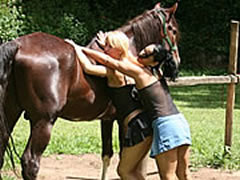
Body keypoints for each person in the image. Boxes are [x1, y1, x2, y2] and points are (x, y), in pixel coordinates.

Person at [80, 31, 192, 180]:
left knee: (166, 175)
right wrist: (107, 45)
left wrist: (78, 47)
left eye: (145, 54)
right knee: (183, 173)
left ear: (153, 61)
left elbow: (109, 62)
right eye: (143, 50)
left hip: (164, 125)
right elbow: (129, 57)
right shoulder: (155, 70)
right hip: (180, 122)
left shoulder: (140, 73)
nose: (140, 54)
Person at [65, 31, 153, 180]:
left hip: (135, 126)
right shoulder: (132, 63)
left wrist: (76, 47)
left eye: (109, 46)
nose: (105, 49)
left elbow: (88, 68)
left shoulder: (114, 72)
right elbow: (112, 56)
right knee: (138, 173)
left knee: (124, 172)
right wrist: (105, 44)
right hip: (146, 123)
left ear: (118, 50)